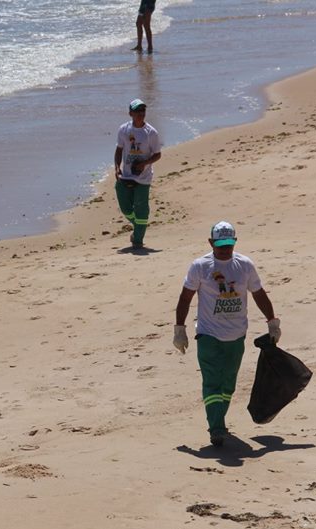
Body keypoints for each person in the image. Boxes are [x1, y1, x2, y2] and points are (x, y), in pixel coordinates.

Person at [173, 221, 282, 447]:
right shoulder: (200, 266)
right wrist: (179, 329)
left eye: (229, 244)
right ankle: (217, 428)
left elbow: (258, 294)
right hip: (208, 335)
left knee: (228, 385)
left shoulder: (245, 265)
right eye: (220, 244)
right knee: (212, 381)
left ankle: (218, 420)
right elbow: (185, 297)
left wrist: (272, 321)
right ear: (211, 243)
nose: (225, 249)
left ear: (235, 242)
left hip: (236, 335)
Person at [114, 98, 162, 249]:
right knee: (125, 208)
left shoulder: (151, 133)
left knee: (141, 210)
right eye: (137, 111)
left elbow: (157, 154)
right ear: (130, 113)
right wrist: (117, 167)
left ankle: (137, 240)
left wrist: (144, 163)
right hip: (126, 175)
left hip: (143, 178)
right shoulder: (124, 129)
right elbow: (119, 150)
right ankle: (139, 226)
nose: (141, 113)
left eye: (143, 110)